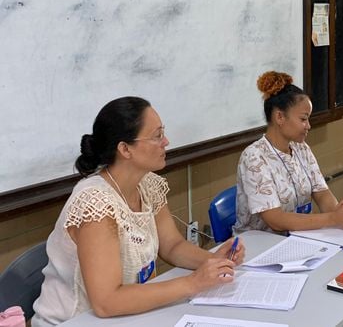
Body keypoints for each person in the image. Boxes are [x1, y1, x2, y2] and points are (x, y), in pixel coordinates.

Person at [32, 97, 245, 326]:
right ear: (124, 148)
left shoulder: (147, 185)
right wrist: (193, 283)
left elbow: (172, 246)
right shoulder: (96, 203)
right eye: (157, 136)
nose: (166, 141)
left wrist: (213, 260)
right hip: (74, 321)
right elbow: (107, 301)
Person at [233, 71, 343, 234]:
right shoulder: (254, 157)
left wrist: (340, 214)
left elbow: (321, 192)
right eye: (303, 119)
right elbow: (276, 220)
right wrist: (332, 219)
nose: (308, 126)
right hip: (259, 246)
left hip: (296, 236)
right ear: (280, 117)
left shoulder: (301, 148)